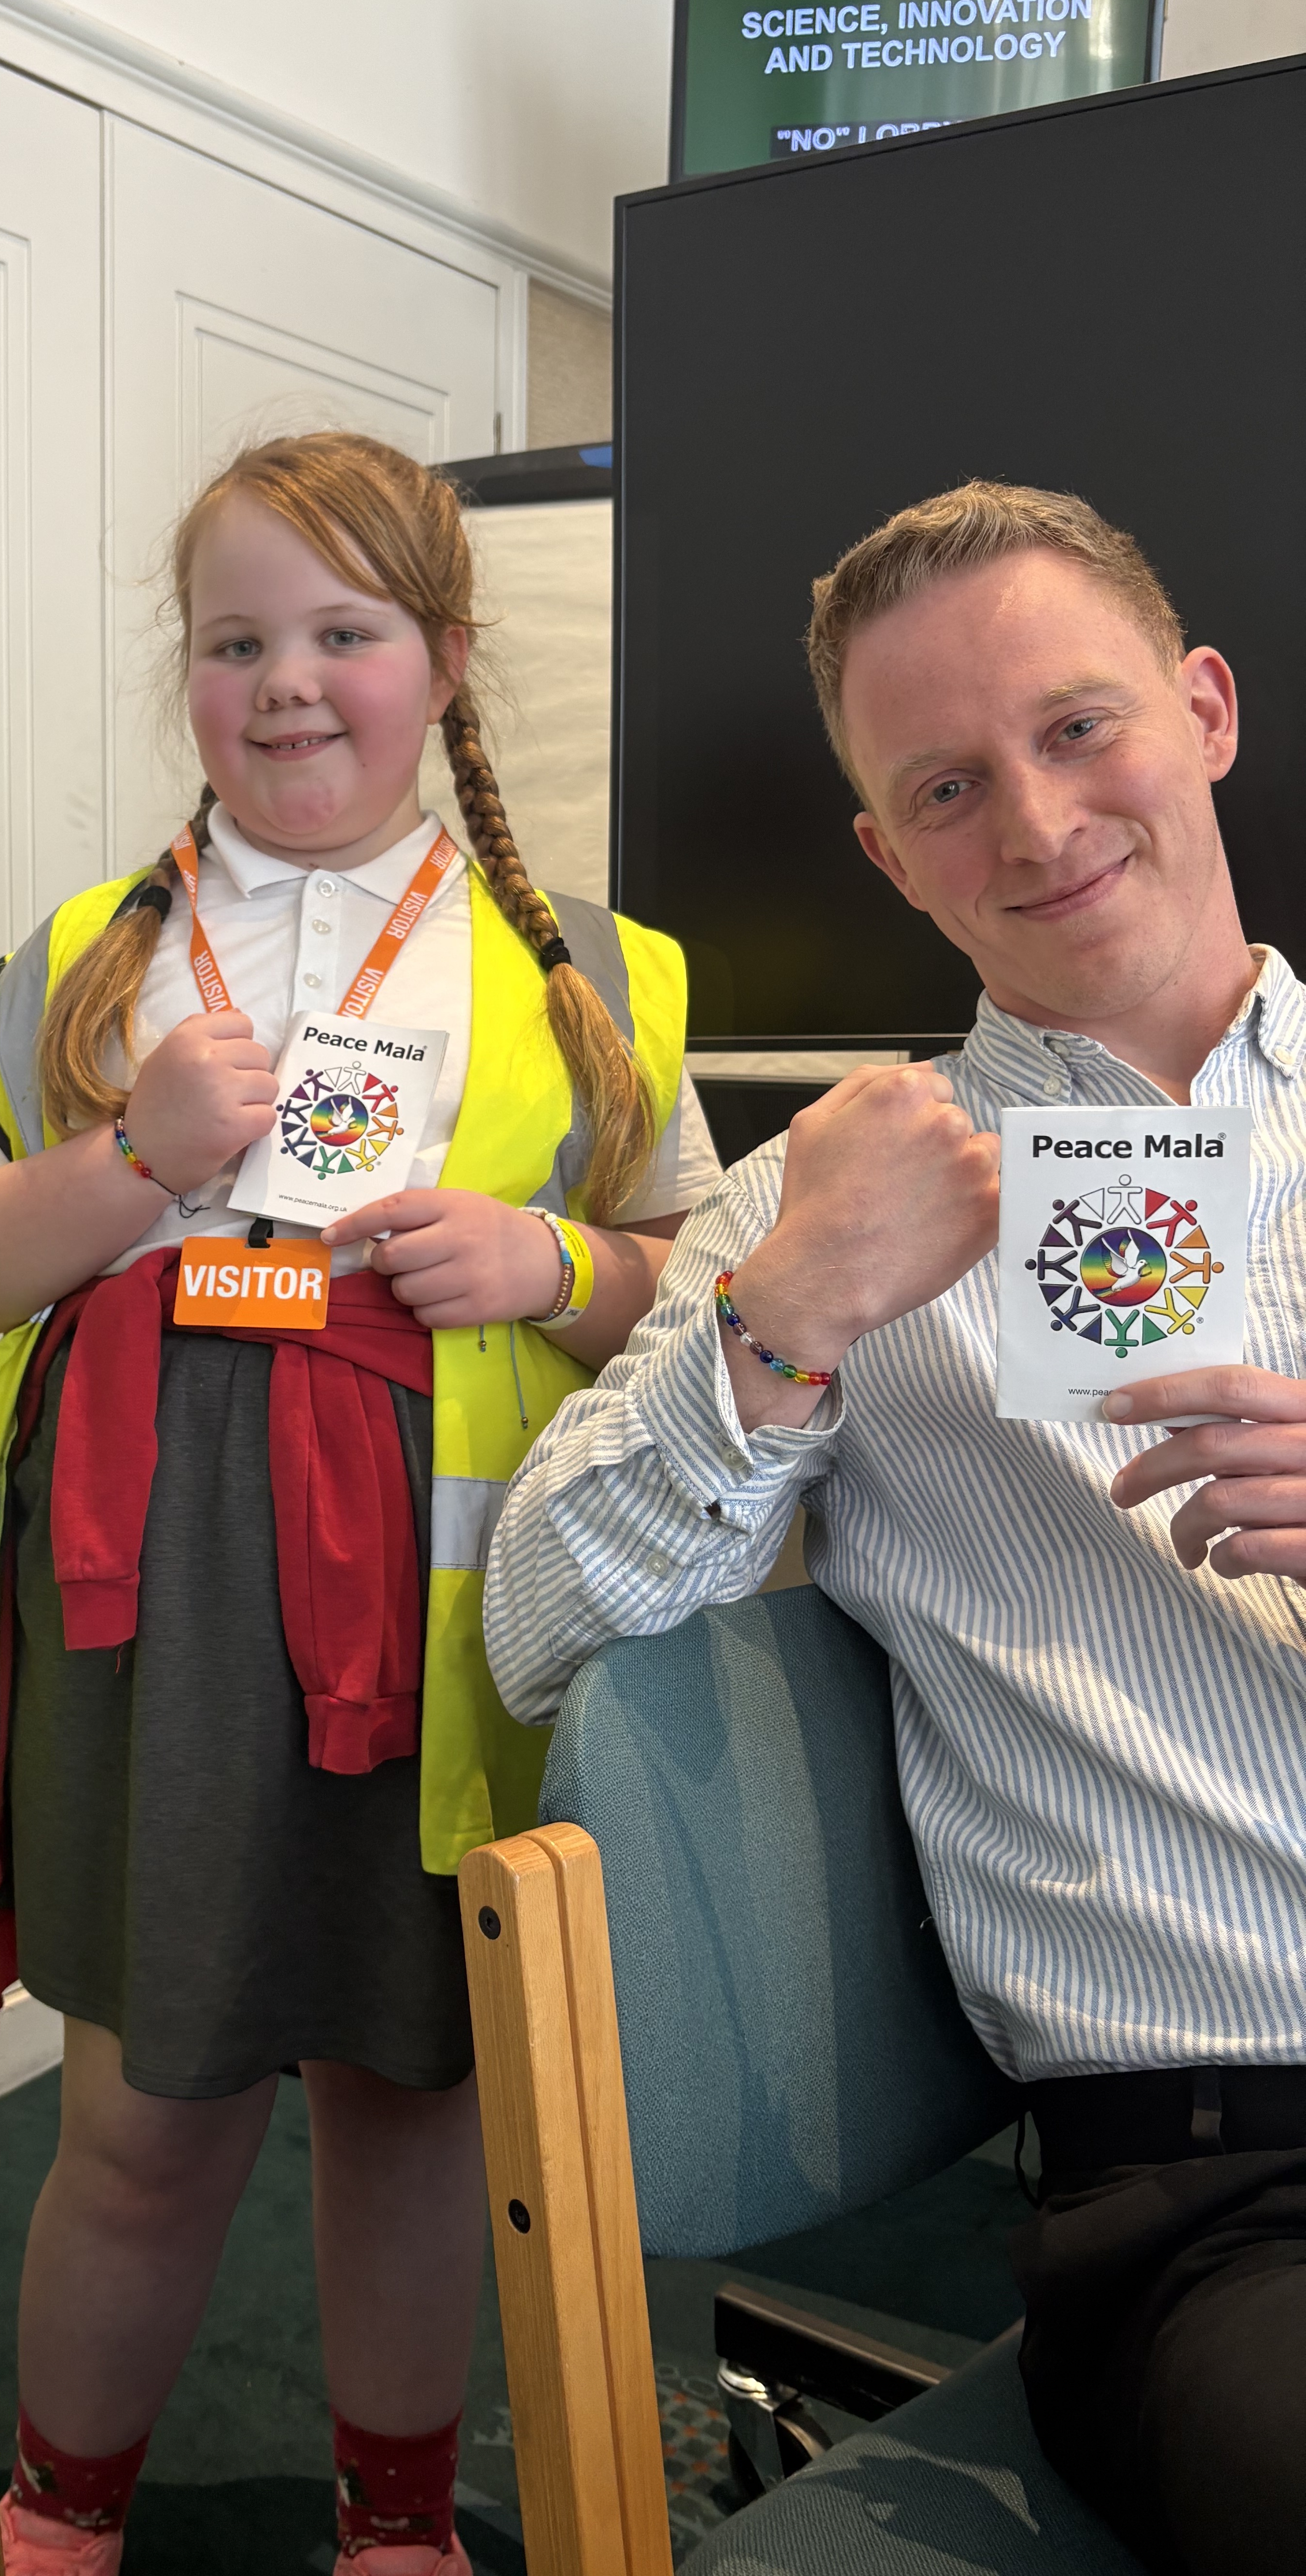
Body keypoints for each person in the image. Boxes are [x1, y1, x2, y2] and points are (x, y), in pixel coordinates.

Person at [0, 432, 719, 2574]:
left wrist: (552, 1262)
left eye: (345, 632)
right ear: (187, 670)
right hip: (150, 1602)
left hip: (445, 1604)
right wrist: (128, 1159)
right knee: (144, 2110)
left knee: (412, 2093)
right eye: (235, 641)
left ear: (448, 659)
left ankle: (396, 2519)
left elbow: (694, 1285)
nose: (288, 683)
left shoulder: (593, 970)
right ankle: (60, 2512)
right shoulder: (83, 957)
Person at [485, 479, 1306, 2576]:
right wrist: (789, 1322)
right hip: (1228, 2177)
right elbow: (536, 1624)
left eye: (1078, 728)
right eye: (947, 786)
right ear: (886, 853)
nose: (1033, 823)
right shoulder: (820, 1205)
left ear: (1206, 712)